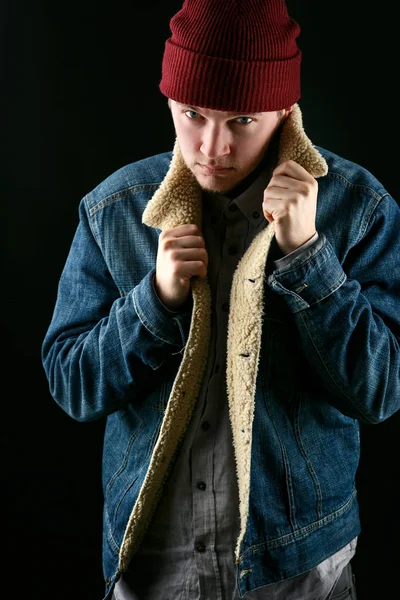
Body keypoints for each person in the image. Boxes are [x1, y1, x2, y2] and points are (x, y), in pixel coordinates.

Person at [41, 0, 400, 598]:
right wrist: (153, 303)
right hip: (153, 564)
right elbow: (72, 385)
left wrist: (309, 258)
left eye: (242, 121)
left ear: (286, 112)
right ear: (169, 101)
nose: (212, 146)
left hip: (297, 568)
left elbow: (383, 391)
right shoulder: (115, 210)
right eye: (192, 114)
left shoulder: (357, 210)